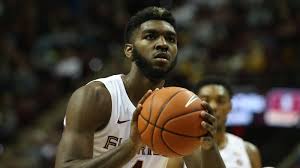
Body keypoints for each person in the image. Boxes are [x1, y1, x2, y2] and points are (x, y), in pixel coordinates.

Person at [55, 6, 225, 168]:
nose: (163, 44)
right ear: (129, 50)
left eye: (171, 39)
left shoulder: (182, 109)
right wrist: (131, 147)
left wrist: (209, 146)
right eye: (150, 36)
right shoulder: (97, 97)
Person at [192, 77, 262, 168]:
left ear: (230, 106)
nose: (213, 107)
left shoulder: (249, 151)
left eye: (220, 101)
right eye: (206, 100)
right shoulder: (182, 151)